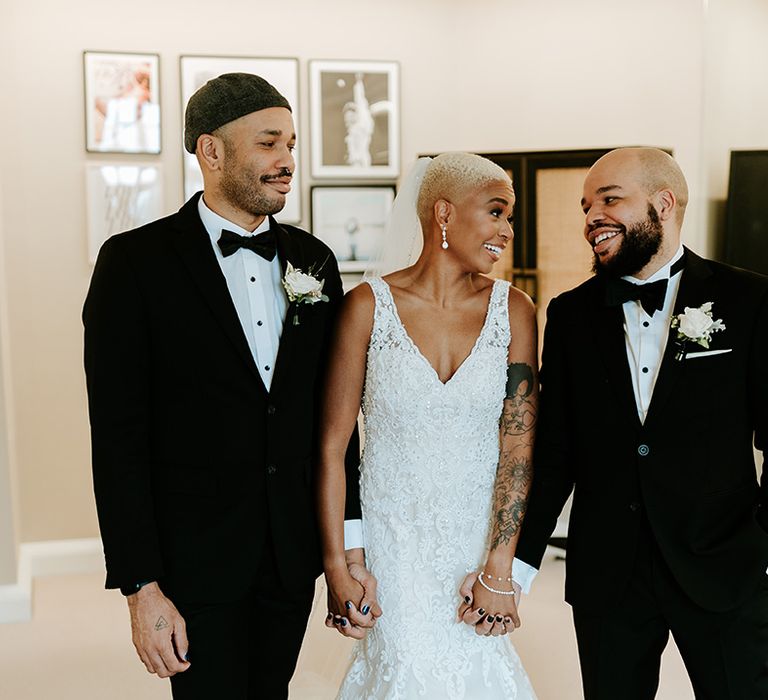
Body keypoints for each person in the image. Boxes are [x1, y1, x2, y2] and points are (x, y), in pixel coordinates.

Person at [83, 72, 369, 699]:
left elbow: (336, 425)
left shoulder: (314, 260)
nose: (287, 162)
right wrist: (141, 586)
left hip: (290, 554)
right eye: (270, 144)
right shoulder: (133, 264)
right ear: (211, 151)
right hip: (193, 562)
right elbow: (118, 437)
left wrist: (347, 548)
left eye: (291, 144)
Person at [515, 147, 768, 699]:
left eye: (609, 199)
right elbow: (556, 450)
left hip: (723, 564)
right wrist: (517, 564)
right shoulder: (569, 314)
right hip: (609, 571)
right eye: (585, 206)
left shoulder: (749, 299)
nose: (590, 219)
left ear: (664, 203)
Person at [318, 153, 539, 698]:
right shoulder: (366, 308)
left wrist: (499, 567)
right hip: (395, 542)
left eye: (510, 218)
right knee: (403, 667)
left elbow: (518, 448)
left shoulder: (516, 310)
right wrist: (339, 564)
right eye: (496, 212)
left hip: (475, 541)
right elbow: (331, 448)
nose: (507, 231)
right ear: (444, 213)